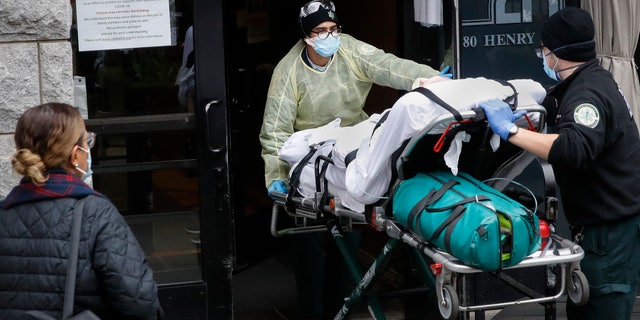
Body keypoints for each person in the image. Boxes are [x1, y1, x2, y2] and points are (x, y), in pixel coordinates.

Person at [259, 1, 449, 318]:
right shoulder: (288, 72)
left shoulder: (348, 51)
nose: (329, 37)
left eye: (333, 30)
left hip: (349, 153)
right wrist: (275, 177)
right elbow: (275, 130)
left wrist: (427, 79)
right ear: (307, 37)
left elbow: (388, 66)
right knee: (312, 256)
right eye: (321, 32)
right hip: (310, 161)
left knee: (347, 246)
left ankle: (342, 309)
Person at [478, 7, 640, 320]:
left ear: (556, 52)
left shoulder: (587, 95)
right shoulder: (591, 80)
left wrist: (510, 131)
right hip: (605, 225)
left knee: (603, 308)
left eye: (544, 50)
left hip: (610, 231)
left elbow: (572, 148)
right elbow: (561, 111)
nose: (543, 56)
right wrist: (535, 114)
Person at [0, 103, 162, 319]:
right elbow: (140, 303)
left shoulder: (5, 213)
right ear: (75, 155)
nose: (89, 148)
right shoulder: (96, 213)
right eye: (88, 141)